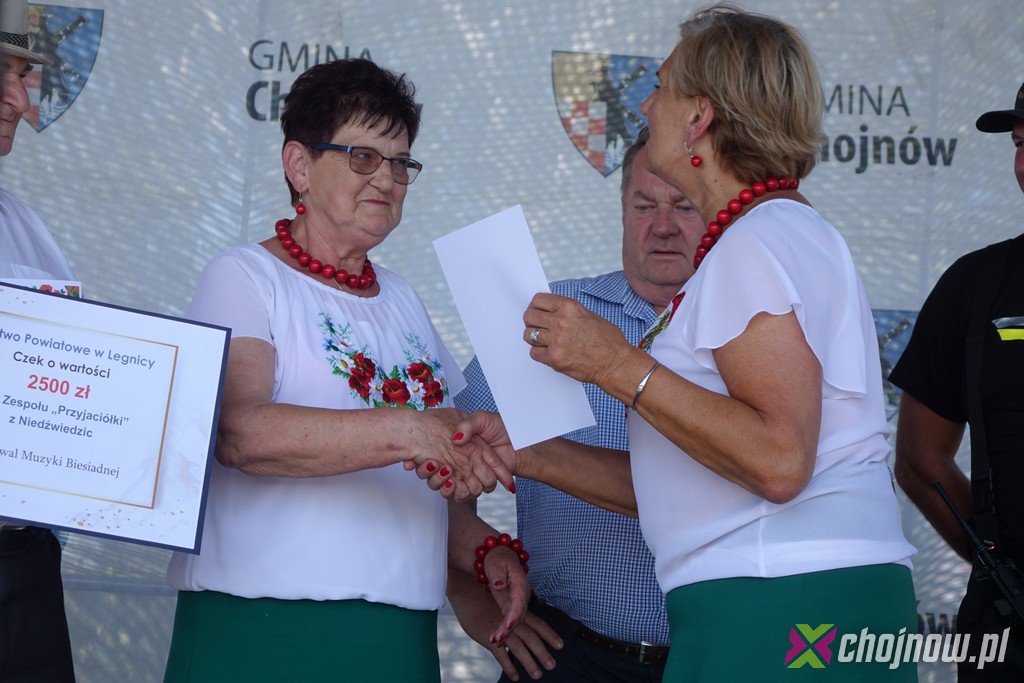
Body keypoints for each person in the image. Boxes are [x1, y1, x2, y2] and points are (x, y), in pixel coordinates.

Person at [423, 5, 919, 681]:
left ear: (698, 118)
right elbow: (693, 482)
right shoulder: (779, 231)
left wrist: (614, 362)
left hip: (781, 600)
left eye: (660, 87)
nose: (646, 105)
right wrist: (524, 452)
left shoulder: (754, 242)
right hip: (788, 594)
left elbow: (779, 462)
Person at [162, 57, 524, 682]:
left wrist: (482, 549)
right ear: (299, 165)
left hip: (397, 640)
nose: (386, 178)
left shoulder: (404, 299)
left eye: (401, 163)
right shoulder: (244, 277)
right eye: (363, 157)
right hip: (262, 633)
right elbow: (241, 434)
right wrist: (411, 429)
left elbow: (441, 473)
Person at [448, 129, 703, 682]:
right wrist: (471, 594)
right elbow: (446, 461)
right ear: (622, 211)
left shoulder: (747, 334)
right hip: (564, 654)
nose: (663, 226)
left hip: (711, 660)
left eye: (684, 206)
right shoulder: (548, 319)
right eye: (645, 205)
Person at [890, 82, 1024, 681]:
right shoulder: (976, 284)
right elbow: (920, 459)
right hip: (1006, 626)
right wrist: (997, 561)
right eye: (1020, 144)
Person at [0, 0, 76, 679]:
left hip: (22, 561)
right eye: (1, 71)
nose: (21, 101)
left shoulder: (26, 230)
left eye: (24, 74)